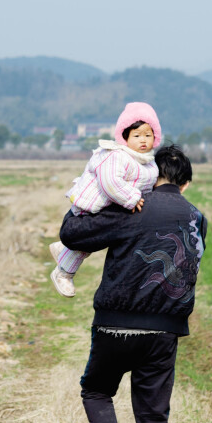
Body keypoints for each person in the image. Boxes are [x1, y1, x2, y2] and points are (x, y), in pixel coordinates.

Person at [57, 141, 207, 423]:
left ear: (149, 176)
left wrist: (92, 193)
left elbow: (72, 233)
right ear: (186, 184)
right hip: (164, 333)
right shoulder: (197, 218)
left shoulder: (133, 205)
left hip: (114, 324)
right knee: (154, 419)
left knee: (95, 390)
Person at [49, 102, 162, 297]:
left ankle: (64, 249)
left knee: (95, 239)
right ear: (125, 137)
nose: (143, 140)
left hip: (112, 210)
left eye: (148, 135)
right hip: (91, 207)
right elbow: (110, 182)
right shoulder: (116, 155)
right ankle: (63, 273)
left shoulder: (149, 163)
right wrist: (132, 198)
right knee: (88, 242)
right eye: (136, 135)